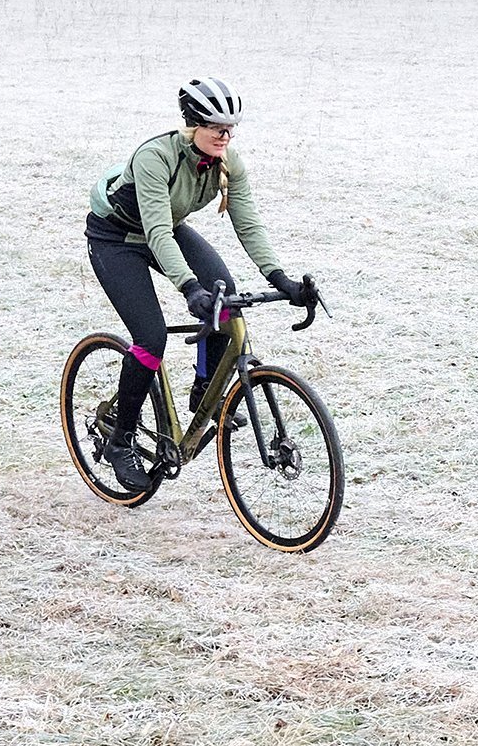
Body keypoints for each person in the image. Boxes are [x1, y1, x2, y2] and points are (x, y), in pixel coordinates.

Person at [86, 76, 316, 491]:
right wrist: (189, 286)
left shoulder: (228, 162)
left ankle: (204, 390)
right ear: (193, 125)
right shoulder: (156, 157)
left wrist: (280, 278)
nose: (225, 136)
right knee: (151, 339)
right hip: (117, 241)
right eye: (217, 128)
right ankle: (120, 440)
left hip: (166, 230)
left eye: (231, 129)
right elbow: (157, 232)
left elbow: (248, 223)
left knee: (225, 299)